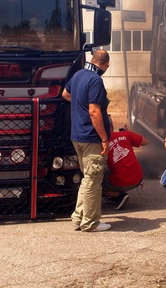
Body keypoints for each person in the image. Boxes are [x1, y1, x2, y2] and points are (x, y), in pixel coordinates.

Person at [62, 49, 112, 232]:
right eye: (107, 66)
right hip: (91, 137)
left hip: (77, 135)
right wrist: (104, 139)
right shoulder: (95, 80)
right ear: (105, 64)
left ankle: (78, 218)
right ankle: (91, 223)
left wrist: (79, 101)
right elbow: (94, 111)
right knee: (93, 180)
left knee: (87, 178)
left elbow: (65, 95)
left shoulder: (78, 75)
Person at [102, 121, 149, 210]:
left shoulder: (100, 143)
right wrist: (131, 131)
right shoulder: (126, 134)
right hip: (138, 178)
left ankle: (118, 196)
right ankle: (114, 195)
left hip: (122, 181)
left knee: (93, 185)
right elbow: (146, 141)